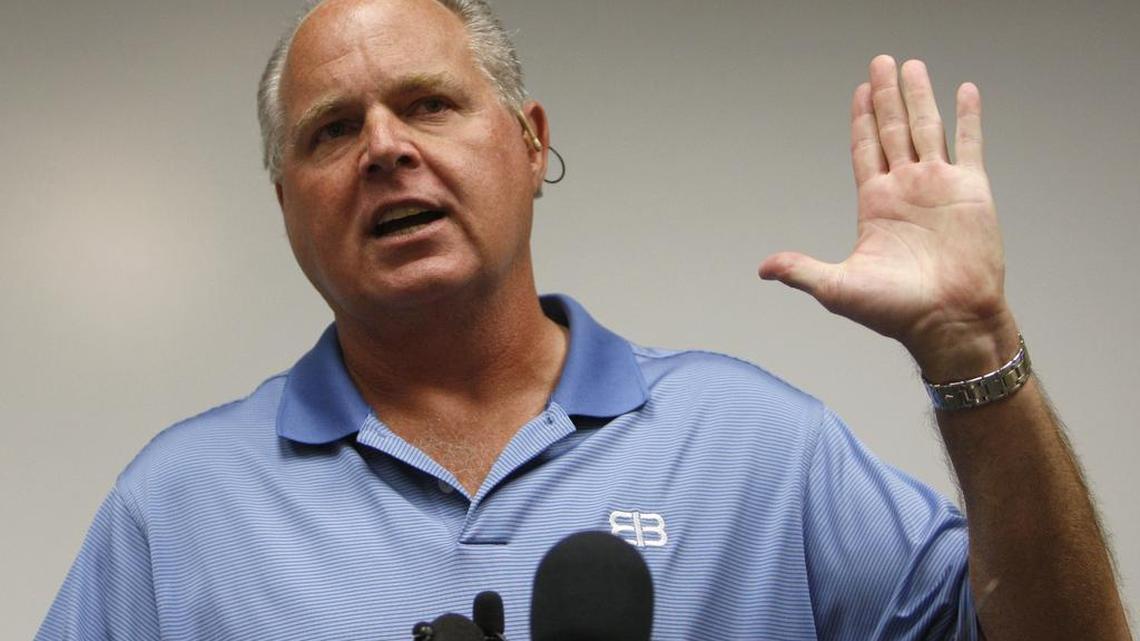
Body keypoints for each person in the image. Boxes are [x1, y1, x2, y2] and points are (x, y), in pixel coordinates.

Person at [37, 0, 1131, 639]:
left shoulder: (754, 446)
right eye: (330, 130)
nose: (383, 147)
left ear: (527, 142)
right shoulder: (173, 512)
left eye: (427, 103)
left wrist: (974, 348)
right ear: (288, 204)